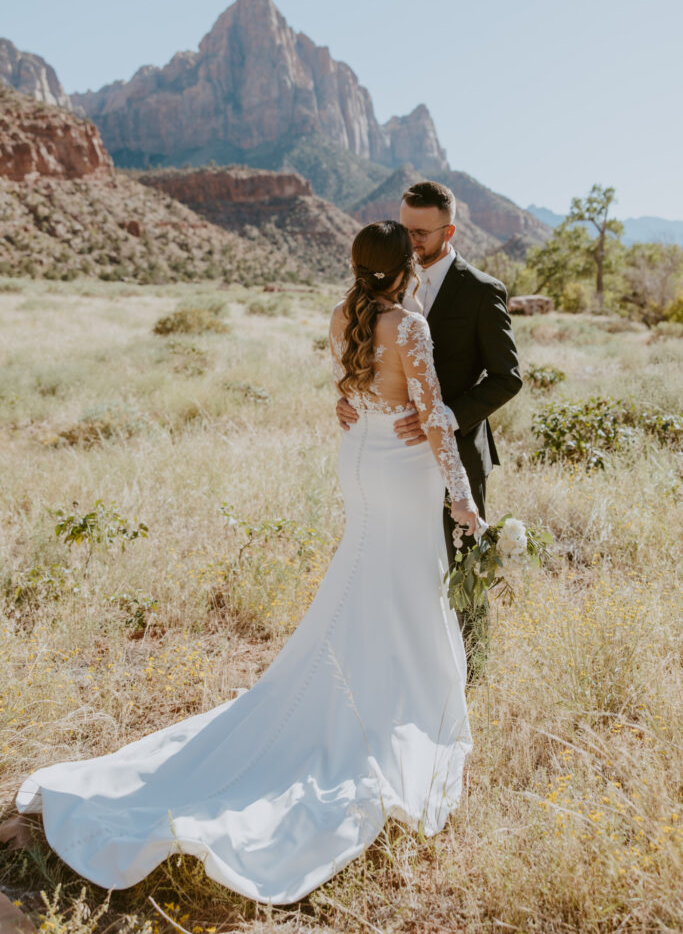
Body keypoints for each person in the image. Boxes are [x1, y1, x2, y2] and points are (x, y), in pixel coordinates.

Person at [10, 222, 479, 905]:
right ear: (405, 266)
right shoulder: (407, 324)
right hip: (402, 469)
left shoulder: (342, 314)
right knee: (399, 583)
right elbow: (433, 415)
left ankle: (365, 685)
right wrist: (463, 499)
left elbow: (351, 395)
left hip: (360, 461)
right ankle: (390, 706)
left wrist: (357, 407)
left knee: (368, 575)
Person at [337, 182, 523, 681]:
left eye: (421, 232)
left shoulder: (482, 290)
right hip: (395, 461)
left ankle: (470, 671)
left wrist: (441, 416)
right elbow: (369, 359)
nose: (411, 240)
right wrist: (351, 397)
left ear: (449, 230)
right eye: (405, 229)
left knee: (464, 567)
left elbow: (508, 378)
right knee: (404, 564)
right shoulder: (374, 297)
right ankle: (407, 669)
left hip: (459, 448)